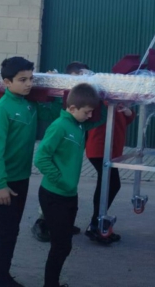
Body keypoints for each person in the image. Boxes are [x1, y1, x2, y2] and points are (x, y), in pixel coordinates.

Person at [0, 56, 56, 287]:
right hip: (2, 182)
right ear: (7, 82)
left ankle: (3, 275)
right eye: (22, 80)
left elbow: (53, 114)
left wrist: (52, 88)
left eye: (31, 79)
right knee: (5, 234)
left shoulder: (29, 104)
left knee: (12, 231)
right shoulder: (1, 109)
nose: (29, 84)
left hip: (21, 179)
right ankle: (0, 279)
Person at [34, 83, 102, 287]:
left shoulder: (79, 125)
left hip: (69, 194)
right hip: (54, 195)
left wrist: (107, 99)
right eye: (87, 112)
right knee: (60, 245)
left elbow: (101, 118)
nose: (90, 116)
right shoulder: (60, 126)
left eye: (91, 112)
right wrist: (61, 180)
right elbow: (41, 158)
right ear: (72, 108)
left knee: (64, 245)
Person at [31, 61, 92, 242]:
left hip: (67, 165)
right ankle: (43, 223)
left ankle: (60, 224)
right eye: (76, 78)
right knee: (52, 204)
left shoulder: (81, 114)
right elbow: (41, 158)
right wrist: (59, 179)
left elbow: (95, 114)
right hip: (58, 140)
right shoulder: (62, 103)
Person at [85, 102, 134, 243]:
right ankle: (96, 224)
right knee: (110, 185)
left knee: (107, 185)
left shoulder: (117, 101)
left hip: (110, 150)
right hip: (100, 149)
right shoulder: (104, 100)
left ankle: (98, 223)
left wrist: (128, 113)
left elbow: (123, 121)